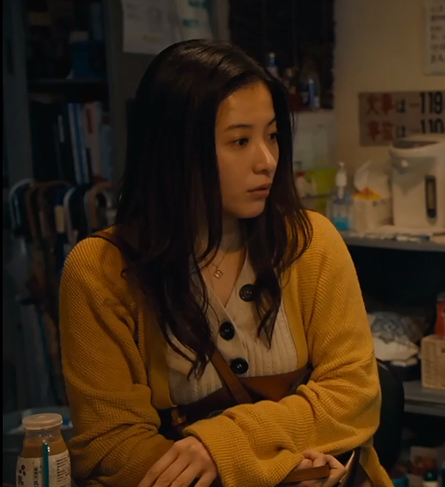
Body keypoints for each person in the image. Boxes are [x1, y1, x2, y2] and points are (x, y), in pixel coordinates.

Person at [59, 40, 391, 487]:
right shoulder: (100, 269)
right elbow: (110, 445)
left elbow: (354, 397)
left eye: (272, 136)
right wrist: (274, 472)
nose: (267, 161)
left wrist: (222, 446)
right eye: (240, 141)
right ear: (174, 151)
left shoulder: (310, 243)